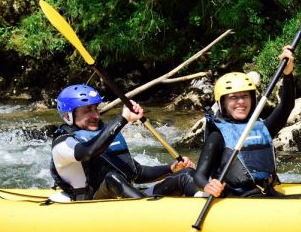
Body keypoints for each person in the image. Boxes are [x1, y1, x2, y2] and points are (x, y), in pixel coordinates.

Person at [50, 84, 195, 200]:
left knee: (186, 174)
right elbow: (88, 152)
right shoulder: (62, 144)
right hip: (92, 204)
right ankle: (150, 212)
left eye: (95, 109)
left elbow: (137, 172)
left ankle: (202, 202)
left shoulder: (104, 134)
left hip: (127, 198)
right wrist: (123, 119)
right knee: (112, 178)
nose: (95, 115)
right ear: (68, 115)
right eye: (87, 110)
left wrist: (170, 168)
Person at [189, 45, 297, 198]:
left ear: (252, 99)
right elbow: (199, 175)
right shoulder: (217, 135)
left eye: (245, 96)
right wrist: (208, 186)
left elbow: (287, 105)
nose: (240, 102)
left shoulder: (262, 128)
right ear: (222, 103)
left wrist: (288, 73)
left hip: (267, 193)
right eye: (233, 97)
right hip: (237, 198)